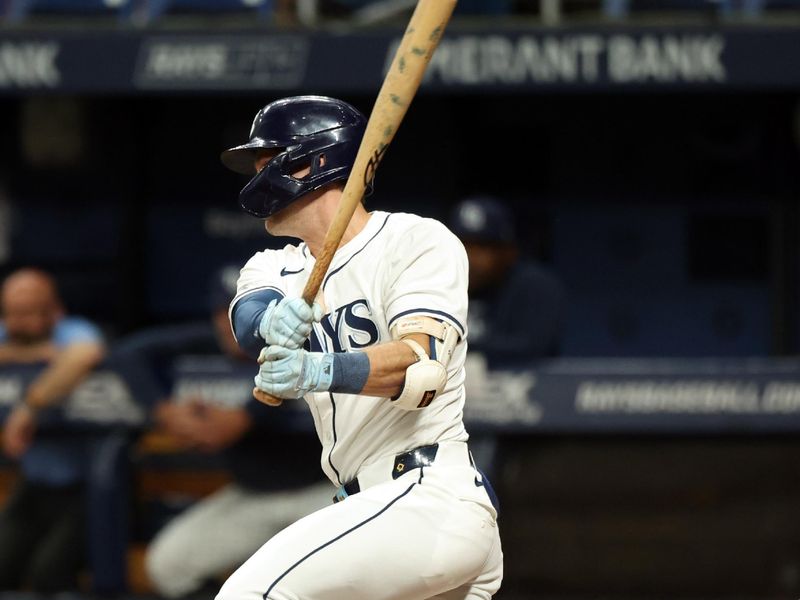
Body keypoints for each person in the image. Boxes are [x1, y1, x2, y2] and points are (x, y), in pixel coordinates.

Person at [215, 95, 503, 600]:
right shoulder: (273, 265)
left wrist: (318, 370)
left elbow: (421, 370)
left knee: (251, 594)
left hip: (426, 496)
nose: (256, 174)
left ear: (310, 161)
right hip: (367, 507)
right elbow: (248, 318)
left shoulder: (414, 241)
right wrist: (269, 322)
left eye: (267, 159)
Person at [142, 265, 333, 600]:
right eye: (224, 311)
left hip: (324, 494)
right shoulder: (209, 346)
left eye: (248, 311)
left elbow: (253, 412)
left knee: (341, 579)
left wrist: (244, 417)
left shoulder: (319, 342)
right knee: (168, 565)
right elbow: (128, 353)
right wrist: (163, 409)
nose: (231, 324)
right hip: (250, 496)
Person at [0, 267, 106, 593]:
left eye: (29, 313)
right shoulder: (9, 335)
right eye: (12, 314)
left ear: (54, 311)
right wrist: (35, 355)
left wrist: (28, 408)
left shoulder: (73, 332)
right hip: (33, 484)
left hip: (86, 488)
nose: (18, 323)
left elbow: (86, 353)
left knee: (49, 573)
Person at [447, 195, 564, 367]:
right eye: (463, 245)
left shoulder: (535, 285)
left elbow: (533, 348)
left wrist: (459, 349)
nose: (471, 257)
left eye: (483, 247)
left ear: (509, 252)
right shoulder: (437, 283)